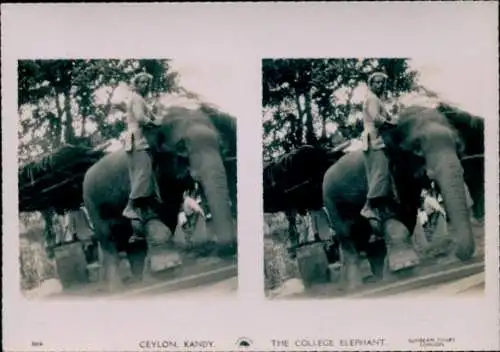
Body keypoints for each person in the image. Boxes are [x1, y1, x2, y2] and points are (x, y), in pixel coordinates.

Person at [121, 72, 162, 223]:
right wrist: (156, 123)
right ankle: (129, 207)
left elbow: (152, 116)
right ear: (136, 84)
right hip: (137, 140)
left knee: (140, 174)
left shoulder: (139, 99)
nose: (145, 85)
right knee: (144, 173)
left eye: (147, 83)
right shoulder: (136, 98)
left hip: (133, 142)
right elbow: (140, 118)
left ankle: (144, 208)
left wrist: (159, 119)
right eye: (142, 82)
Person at [360, 72, 397, 224]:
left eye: (382, 82)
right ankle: (367, 206)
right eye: (376, 82)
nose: (380, 85)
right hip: (374, 139)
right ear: (370, 84)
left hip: (377, 139)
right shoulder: (372, 99)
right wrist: (393, 124)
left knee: (382, 172)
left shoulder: (377, 100)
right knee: (381, 172)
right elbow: (377, 119)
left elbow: (388, 117)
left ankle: (384, 206)